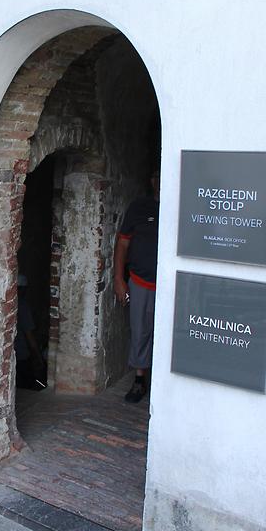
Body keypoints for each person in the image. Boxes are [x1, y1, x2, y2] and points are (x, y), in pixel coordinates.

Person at [114, 170, 160, 403]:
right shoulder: (138, 207)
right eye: (156, 176)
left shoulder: (180, 204)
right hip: (141, 280)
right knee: (140, 330)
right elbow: (122, 244)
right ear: (151, 179)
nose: (159, 181)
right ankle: (140, 380)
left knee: (165, 333)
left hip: (170, 284)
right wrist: (119, 279)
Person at [15, 274, 47, 390]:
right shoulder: (23, 306)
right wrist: (38, 357)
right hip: (22, 355)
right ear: (23, 289)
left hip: (14, 354)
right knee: (26, 385)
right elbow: (29, 335)